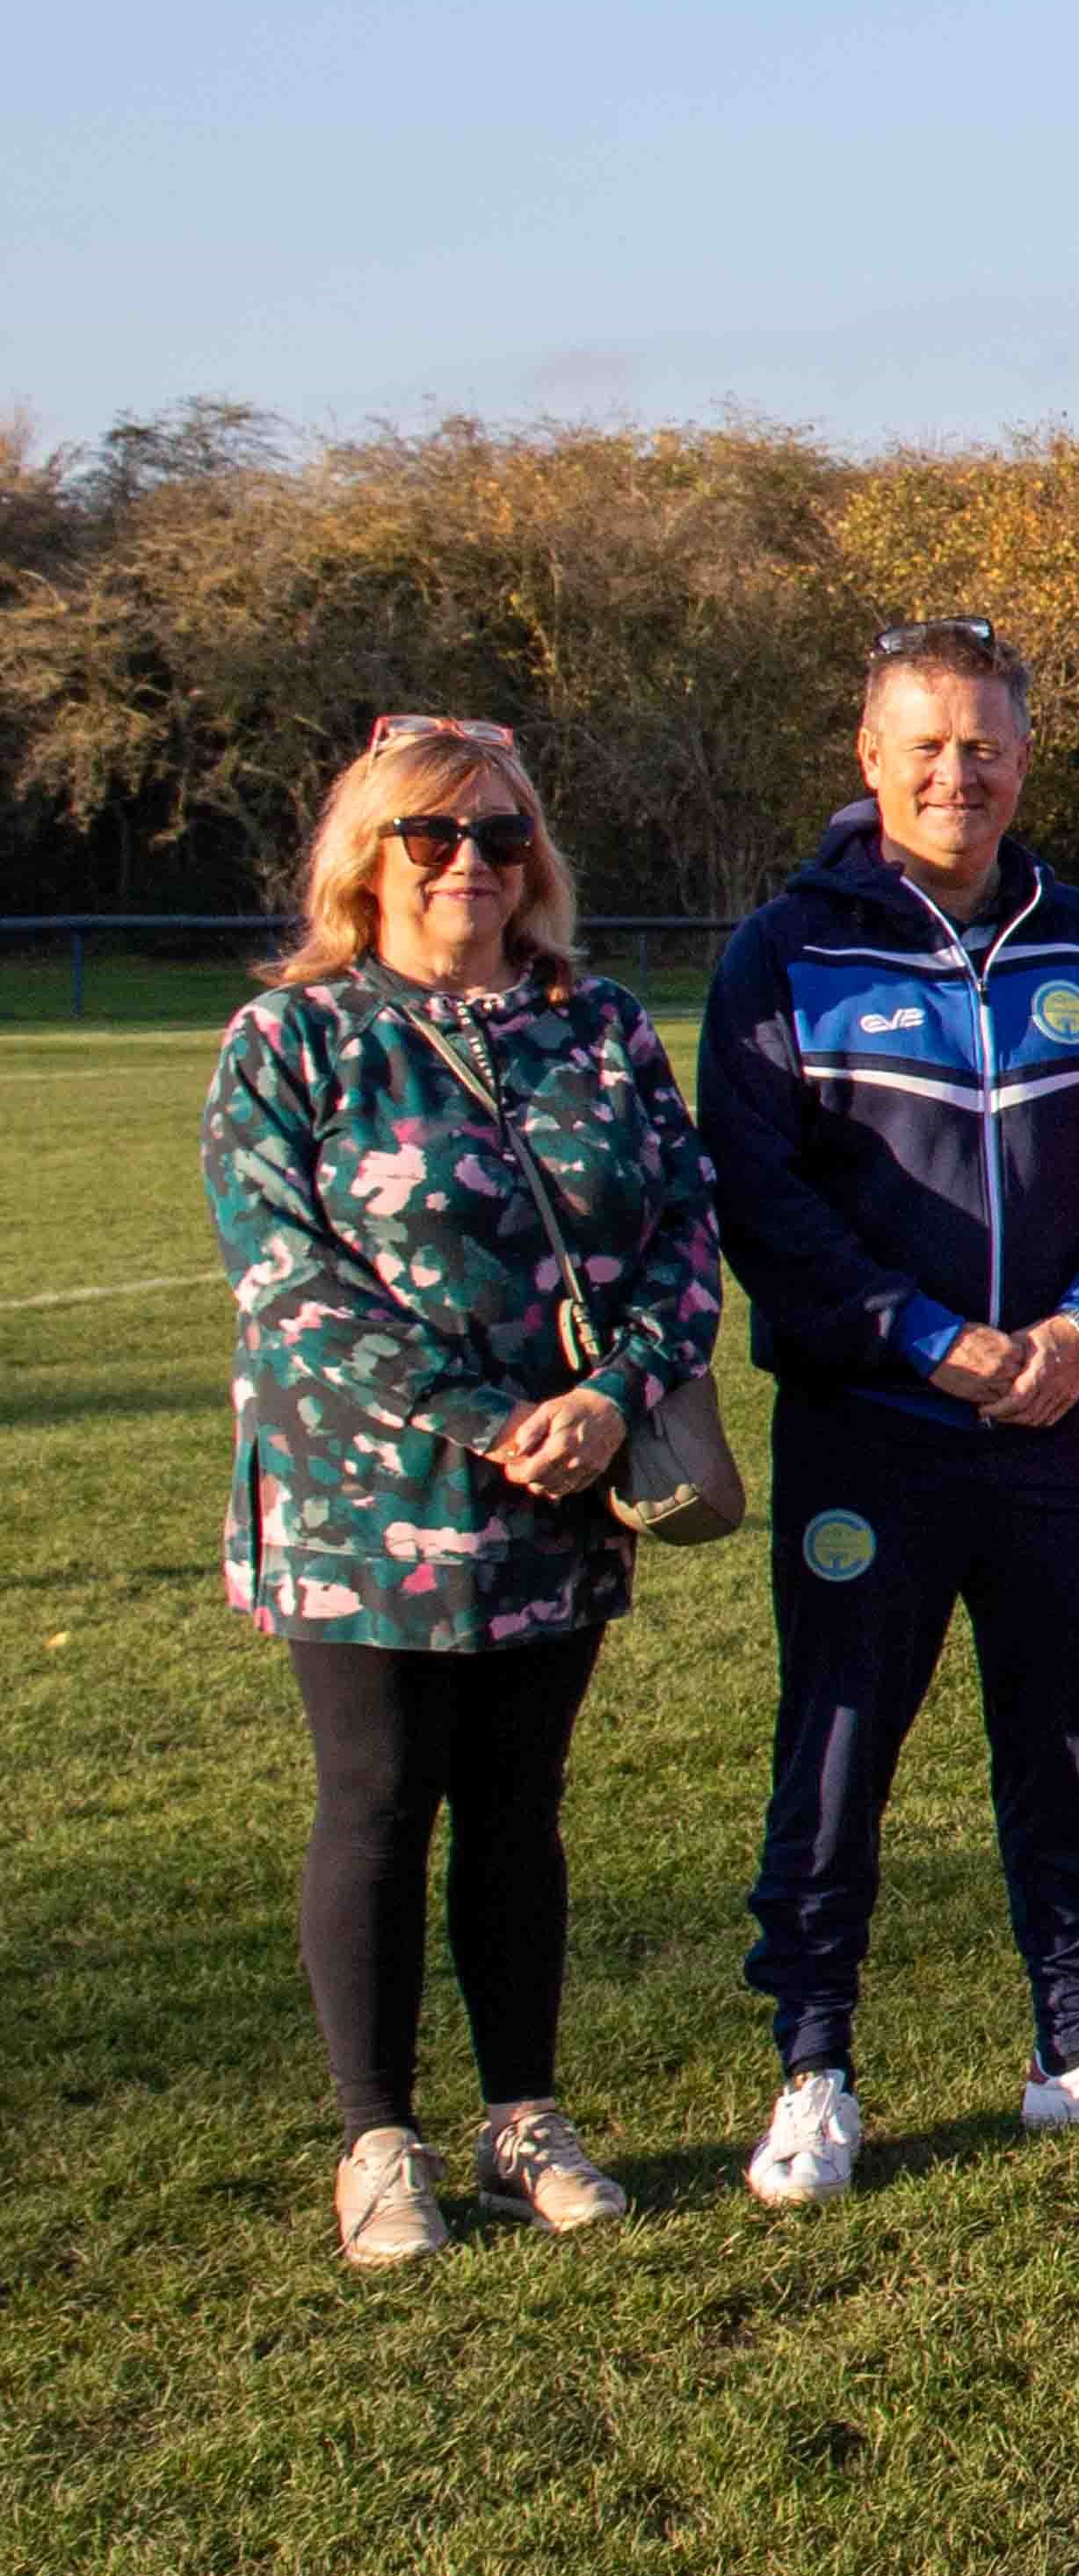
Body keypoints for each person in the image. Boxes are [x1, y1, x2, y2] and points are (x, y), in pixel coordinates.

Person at [704, 618, 1079, 2205]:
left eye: (984, 744)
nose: (957, 773)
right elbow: (764, 1201)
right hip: (877, 1425)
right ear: (868, 758)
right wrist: (925, 1340)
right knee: (843, 1743)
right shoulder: (787, 949)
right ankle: (814, 2067)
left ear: (1024, 757)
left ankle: (1075, 2042)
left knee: (1065, 1738)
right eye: (924, 744)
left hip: (1061, 1417)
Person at [208, 717, 722, 2264]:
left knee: (519, 1811)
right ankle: (377, 2138)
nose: (470, 868)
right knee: (375, 1804)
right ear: (367, 855)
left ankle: (522, 2119)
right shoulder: (292, 1038)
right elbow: (286, 1277)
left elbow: (682, 1237)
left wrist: (608, 1398)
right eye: (432, 837)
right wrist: (490, 1416)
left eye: (501, 838)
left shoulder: (599, 1025)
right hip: (363, 1500)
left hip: (564, 1488)